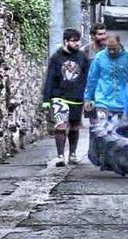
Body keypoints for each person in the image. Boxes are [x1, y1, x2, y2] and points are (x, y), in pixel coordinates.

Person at [43, 28, 89, 167]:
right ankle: (60, 156)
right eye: (73, 41)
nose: (77, 44)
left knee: (74, 126)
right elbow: (50, 78)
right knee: (61, 126)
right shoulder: (56, 58)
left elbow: (87, 77)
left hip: (77, 97)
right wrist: (46, 99)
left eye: (78, 40)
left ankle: (73, 154)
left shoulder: (82, 57)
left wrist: (88, 95)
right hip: (60, 97)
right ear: (66, 41)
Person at [83, 35, 128, 121]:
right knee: (100, 132)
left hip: (124, 103)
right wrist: (88, 98)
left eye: (114, 48)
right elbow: (92, 79)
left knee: (120, 133)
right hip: (102, 102)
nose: (111, 51)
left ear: (119, 44)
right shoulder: (99, 57)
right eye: (109, 48)